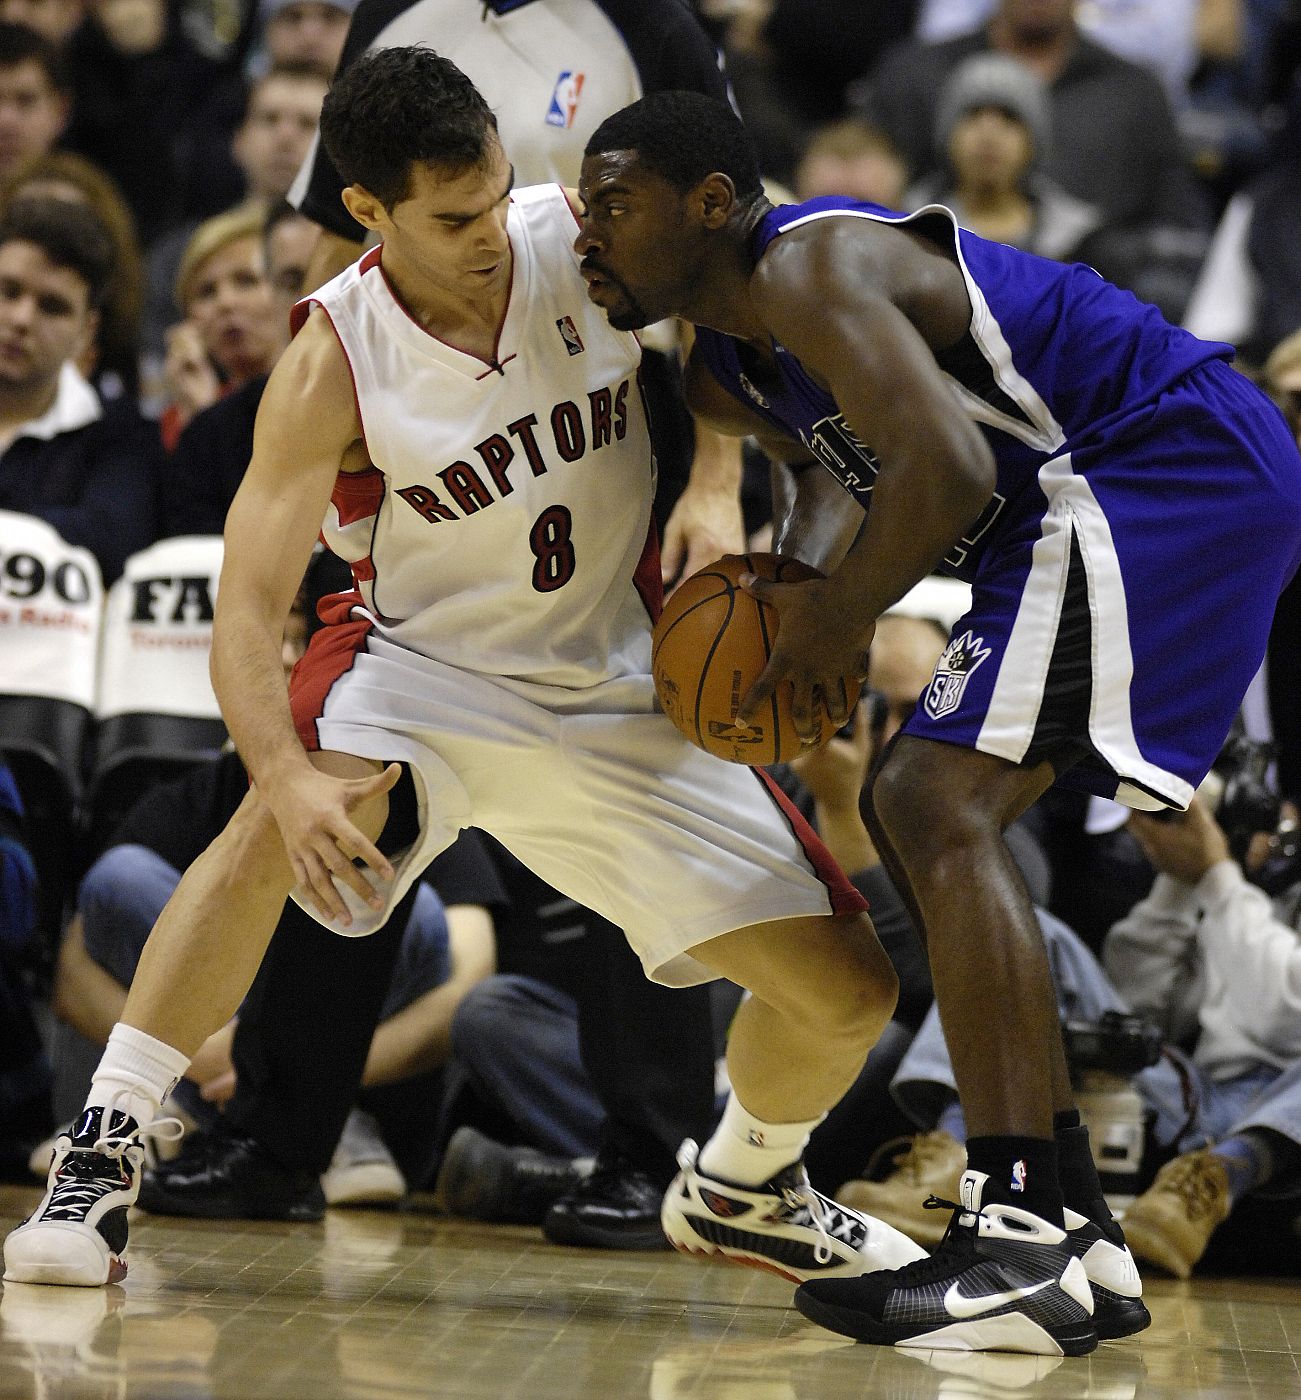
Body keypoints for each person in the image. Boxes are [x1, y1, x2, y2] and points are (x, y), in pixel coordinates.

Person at [4, 46, 922, 1294]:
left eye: (494, 191)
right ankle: (102, 1161)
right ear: (367, 212)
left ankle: (745, 1182)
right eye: (451, 216)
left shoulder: (574, 236)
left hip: (615, 675)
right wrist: (279, 773)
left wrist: (713, 484)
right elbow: (247, 607)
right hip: (420, 669)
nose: (491, 230)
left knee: (846, 993)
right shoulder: (334, 357)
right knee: (278, 821)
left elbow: (719, 324)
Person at [571, 88, 1301, 1354]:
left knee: (927, 797)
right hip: (1093, 494)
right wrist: (797, 583)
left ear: (707, 204)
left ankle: (1014, 1233)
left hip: (1158, 459)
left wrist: (828, 628)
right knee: (931, 810)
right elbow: (819, 471)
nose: (589, 237)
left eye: (614, 205)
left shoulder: (809, 265)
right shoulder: (726, 363)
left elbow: (950, 473)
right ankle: (1069, 1236)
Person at [0, 196, 161, 583]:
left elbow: (113, 544)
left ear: (86, 331)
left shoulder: (123, 434)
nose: (22, 319)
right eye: (8, 291)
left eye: (52, 307)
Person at [906, 52, 1102, 262]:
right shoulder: (905, 224)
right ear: (948, 135)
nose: (989, 135)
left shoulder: (1081, 242)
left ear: (1033, 143)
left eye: (1009, 117)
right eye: (973, 114)